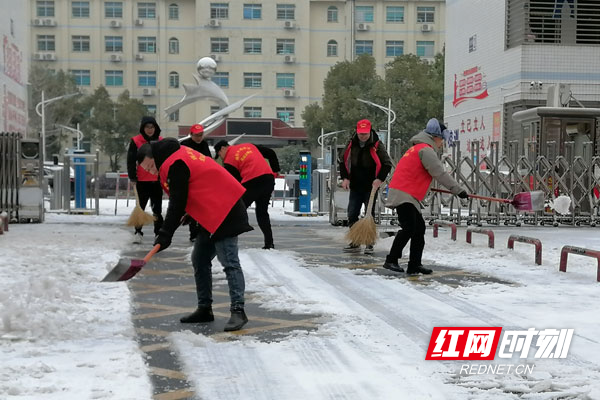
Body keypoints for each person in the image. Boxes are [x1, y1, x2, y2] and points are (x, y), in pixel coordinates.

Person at [136, 138, 253, 332]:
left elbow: (177, 202)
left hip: (226, 211)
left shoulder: (176, 163)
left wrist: (165, 234)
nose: (150, 171)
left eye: (150, 166)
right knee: (199, 258)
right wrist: (191, 212)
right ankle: (205, 308)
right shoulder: (179, 155)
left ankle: (238, 311)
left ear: (154, 157)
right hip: (211, 212)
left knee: (229, 262)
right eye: (146, 170)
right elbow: (201, 182)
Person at [383, 118, 468, 275]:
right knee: (409, 228)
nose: (442, 143)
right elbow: (439, 173)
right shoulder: (426, 150)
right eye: (442, 139)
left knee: (418, 229)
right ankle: (391, 260)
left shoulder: (417, 148)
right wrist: (458, 190)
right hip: (404, 194)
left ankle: (414, 264)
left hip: (406, 193)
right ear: (436, 136)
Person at [339, 119, 393, 254]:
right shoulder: (352, 144)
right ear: (357, 132)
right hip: (356, 185)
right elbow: (343, 160)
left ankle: (369, 242)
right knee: (352, 213)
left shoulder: (377, 145)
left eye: (365, 134)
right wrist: (345, 178)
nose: (362, 136)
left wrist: (379, 179)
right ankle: (355, 240)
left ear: (370, 131)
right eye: (360, 133)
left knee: (369, 214)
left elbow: (387, 163)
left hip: (371, 186)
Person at [214, 140, 280, 250]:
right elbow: (270, 152)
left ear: (222, 148)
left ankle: (226, 241)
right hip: (268, 179)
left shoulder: (229, 160)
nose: (221, 158)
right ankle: (269, 243)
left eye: (219, 155)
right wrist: (276, 169)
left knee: (236, 211)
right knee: (262, 213)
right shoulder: (249, 146)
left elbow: (234, 182)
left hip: (252, 182)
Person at [127, 116, 164, 244]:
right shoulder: (136, 141)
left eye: (152, 127)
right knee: (140, 208)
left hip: (157, 181)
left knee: (157, 209)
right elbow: (131, 160)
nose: (149, 130)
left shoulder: (160, 141)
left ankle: (158, 234)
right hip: (141, 181)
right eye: (147, 127)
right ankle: (138, 232)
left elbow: (165, 160)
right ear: (143, 128)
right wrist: (132, 177)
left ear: (155, 128)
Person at [180, 124, 212, 242]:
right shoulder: (184, 145)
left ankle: (201, 232)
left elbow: (208, 159)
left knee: (202, 206)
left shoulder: (204, 144)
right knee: (192, 207)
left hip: (202, 179)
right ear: (191, 134)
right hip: (189, 179)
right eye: (196, 135)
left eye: (201, 135)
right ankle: (193, 233)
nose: (199, 138)